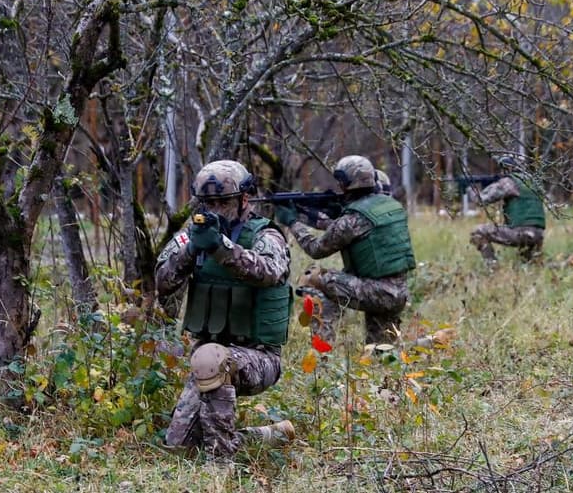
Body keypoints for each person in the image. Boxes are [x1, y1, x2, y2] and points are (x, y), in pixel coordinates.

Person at [155, 160, 295, 459]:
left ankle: (221, 469)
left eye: (223, 202)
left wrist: (221, 247)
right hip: (207, 361)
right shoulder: (193, 235)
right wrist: (191, 250)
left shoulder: (266, 235)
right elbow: (163, 282)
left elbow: (270, 272)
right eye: (208, 202)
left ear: (245, 199)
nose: (215, 209)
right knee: (179, 450)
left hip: (259, 358)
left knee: (210, 357)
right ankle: (270, 435)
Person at [273, 155, 415, 347]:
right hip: (398, 294)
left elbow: (316, 249)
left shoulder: (351, 219)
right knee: (381, 352)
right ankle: (387, 356)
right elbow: (354, 231)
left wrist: (292, 222)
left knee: (313, 278)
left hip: (375, 293)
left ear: (344, 183)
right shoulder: (391, 206)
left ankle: (322, 351)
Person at [468, 155, 545, 266]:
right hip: (538, 235)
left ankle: (492, 267)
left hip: (520, 233)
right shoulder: (533, 183)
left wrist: (471, 189)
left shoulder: (509, 182)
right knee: (527, 268)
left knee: (478, 232)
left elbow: (481, 201)